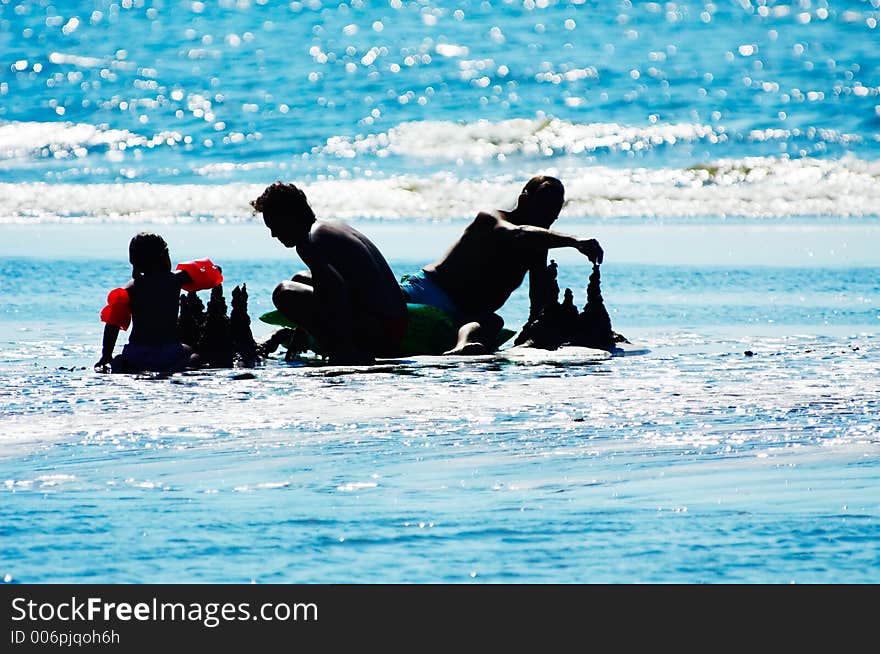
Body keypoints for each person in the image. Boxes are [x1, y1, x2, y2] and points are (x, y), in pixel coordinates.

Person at [400, 175, 603, 354]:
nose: (549, 215)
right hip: (429, 289)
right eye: (544, 205)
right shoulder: (490, 218)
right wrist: (574, 241)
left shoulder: (537, 248)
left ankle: (463, 346)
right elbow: (518, 233)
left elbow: (538, 299)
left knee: (492, 322)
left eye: (554, 209)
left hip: (467, 314)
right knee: (386, 298)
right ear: (523, 199)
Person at [251, 182, 408, 365]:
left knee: (284, 292)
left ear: (290, 216)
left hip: (380, 335)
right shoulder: (329, 228)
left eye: (274, 226)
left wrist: (338, 348)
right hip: (397, 325)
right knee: (300, 279)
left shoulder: (309, 242)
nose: (273, 234)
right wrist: (303, 329)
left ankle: (346, 350)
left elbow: (336, 291)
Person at [95, 232, 224, 373]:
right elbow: (207, 272)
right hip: (167, 352)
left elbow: (112, 324)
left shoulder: (130, 288)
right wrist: (217, 268)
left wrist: (106, 355)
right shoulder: (174, 280)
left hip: (136, 354)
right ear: (164, 256)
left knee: (122, 360)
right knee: (193, 354)